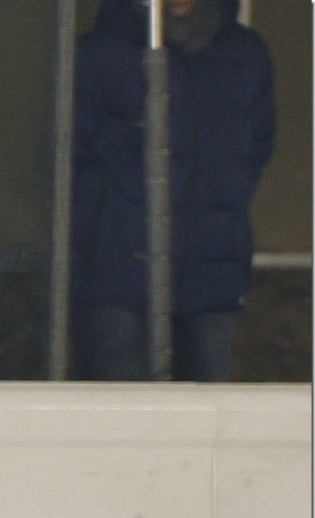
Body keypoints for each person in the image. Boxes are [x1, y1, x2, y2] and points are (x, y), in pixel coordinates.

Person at [73, 0, 274, 382]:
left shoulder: (245, 56)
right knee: (122, 427)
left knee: (209, 429)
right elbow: (73, 156)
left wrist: (220, 214)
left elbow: (256, 147)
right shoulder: (101, 53)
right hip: (116, 278)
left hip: (210, 276)